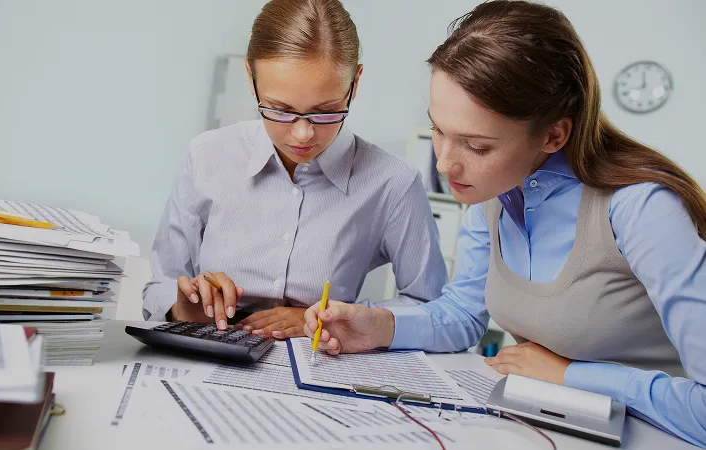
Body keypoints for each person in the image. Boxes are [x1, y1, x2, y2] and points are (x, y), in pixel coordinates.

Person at [304, 1, 706, 446]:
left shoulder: (643, 209)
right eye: (438, 129)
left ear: (554, 135)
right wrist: (380, 326)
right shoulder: (492, 195)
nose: (444, 163)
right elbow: (462, 314)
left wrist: (573, 375)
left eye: (476, 146)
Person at [142, 0, 447, 340]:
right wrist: (184, 307)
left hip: (321, 364)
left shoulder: (393, 183)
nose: (303, 134)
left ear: (355, 83)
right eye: (279, 110)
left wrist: (331, 319)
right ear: (251, 77)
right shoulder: (207, 156)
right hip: (207, 354)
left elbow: (429, 305)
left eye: (326, 111)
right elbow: (161, 283)